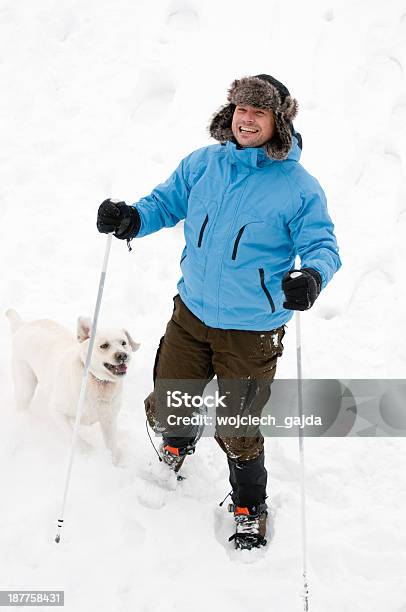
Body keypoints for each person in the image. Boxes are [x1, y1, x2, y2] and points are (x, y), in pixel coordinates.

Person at [96, 74, 341, 550]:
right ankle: (179, 441)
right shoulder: (204, 164)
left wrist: (311, 276)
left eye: (259, 113)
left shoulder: (298, 187)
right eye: (240, 110)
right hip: (192, 311)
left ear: (279, 121)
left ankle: (249, 505)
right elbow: (165, 204)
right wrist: (132, 219)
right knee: (171, 393)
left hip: (251, 329)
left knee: (238, 423)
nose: (246, 120)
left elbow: (322, 245)